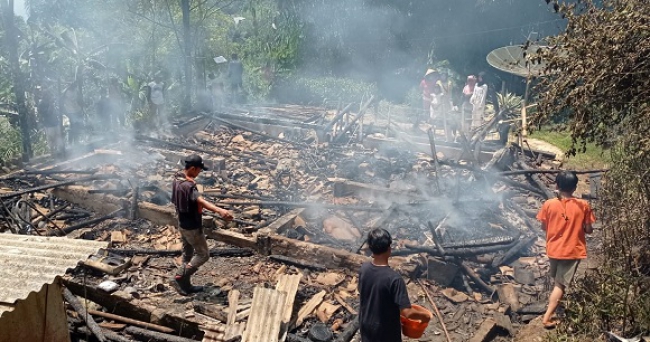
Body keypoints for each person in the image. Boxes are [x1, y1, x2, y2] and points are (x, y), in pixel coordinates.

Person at [536, 171, 595, 329]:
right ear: (575, 188)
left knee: (557, 281)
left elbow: (543, 226)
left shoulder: (548, 204)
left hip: (553, 249)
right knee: (560, 285)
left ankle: (553, 302)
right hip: (572, 251)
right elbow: (589, 230)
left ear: (556, 185)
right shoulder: (584, 205)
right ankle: (547, 318)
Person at [171, 154, 234, 296]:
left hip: (182, 222)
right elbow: (201, 201)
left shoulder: (177, 178)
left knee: (187, 255)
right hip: (192, 226)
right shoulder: (189, 187)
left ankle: (186, 286)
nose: (199, 173)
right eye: (198, 170)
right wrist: (220, 210)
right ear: (192, 168)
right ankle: (178, 277)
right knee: (203, 255)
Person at [358, 228, 431, 342]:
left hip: (366, 325)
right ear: (389, 249)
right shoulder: (394, 279)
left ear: (371, 248)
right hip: (385, 332)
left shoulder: (364, 268)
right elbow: (406, 312)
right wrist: (424, 316)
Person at [38, 88, 63, 157]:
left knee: (58, 137)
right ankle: (52, 153)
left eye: (49, 94)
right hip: (49, 125)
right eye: (47, 95)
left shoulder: (50, 102)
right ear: (44, 96)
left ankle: (59, 152)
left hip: (55, 122)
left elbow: (56, 112)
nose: (49, 96)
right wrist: (51, 104)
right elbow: (48, 113)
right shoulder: (41, 104)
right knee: (51, 139)